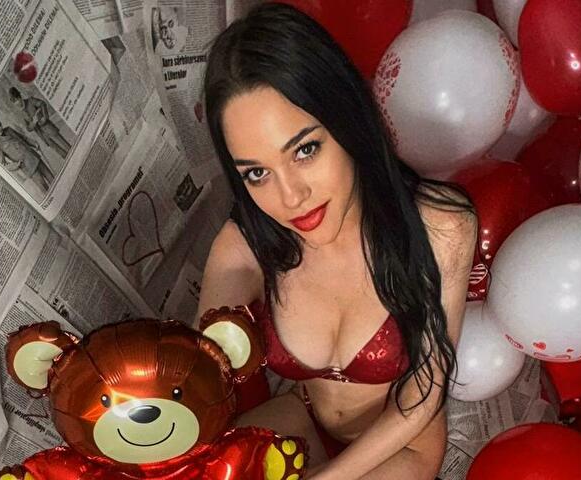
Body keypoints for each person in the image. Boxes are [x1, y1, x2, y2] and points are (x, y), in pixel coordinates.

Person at [197, 3, 477, 480]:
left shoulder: (441, 225)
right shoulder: (244, 246)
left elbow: (425, 391)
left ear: (347, 121)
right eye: (257, 173)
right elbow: (191, 377)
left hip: (401, 443)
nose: (291, 197)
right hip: (301, 416)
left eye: (305, 150)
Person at [0, 111, 55, 193]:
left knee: (52, 178)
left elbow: (23, 138)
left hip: (34, 157)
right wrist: (16, 165)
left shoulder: (9, 129)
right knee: (45, 188)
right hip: (28, 168)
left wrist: (34, 143)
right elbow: (4, 165)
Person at [8, 87, 71, 158]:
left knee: (65, 145)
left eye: (17, 100)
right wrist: (33, 122)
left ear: (20, 97)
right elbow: (28, 128)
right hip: (43, 136)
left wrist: (45, 118)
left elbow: (42, 104)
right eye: (14, 102)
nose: (17, 103)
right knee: (60, 152)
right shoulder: (21, 115)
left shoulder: (31, 100)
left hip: (49, 128)